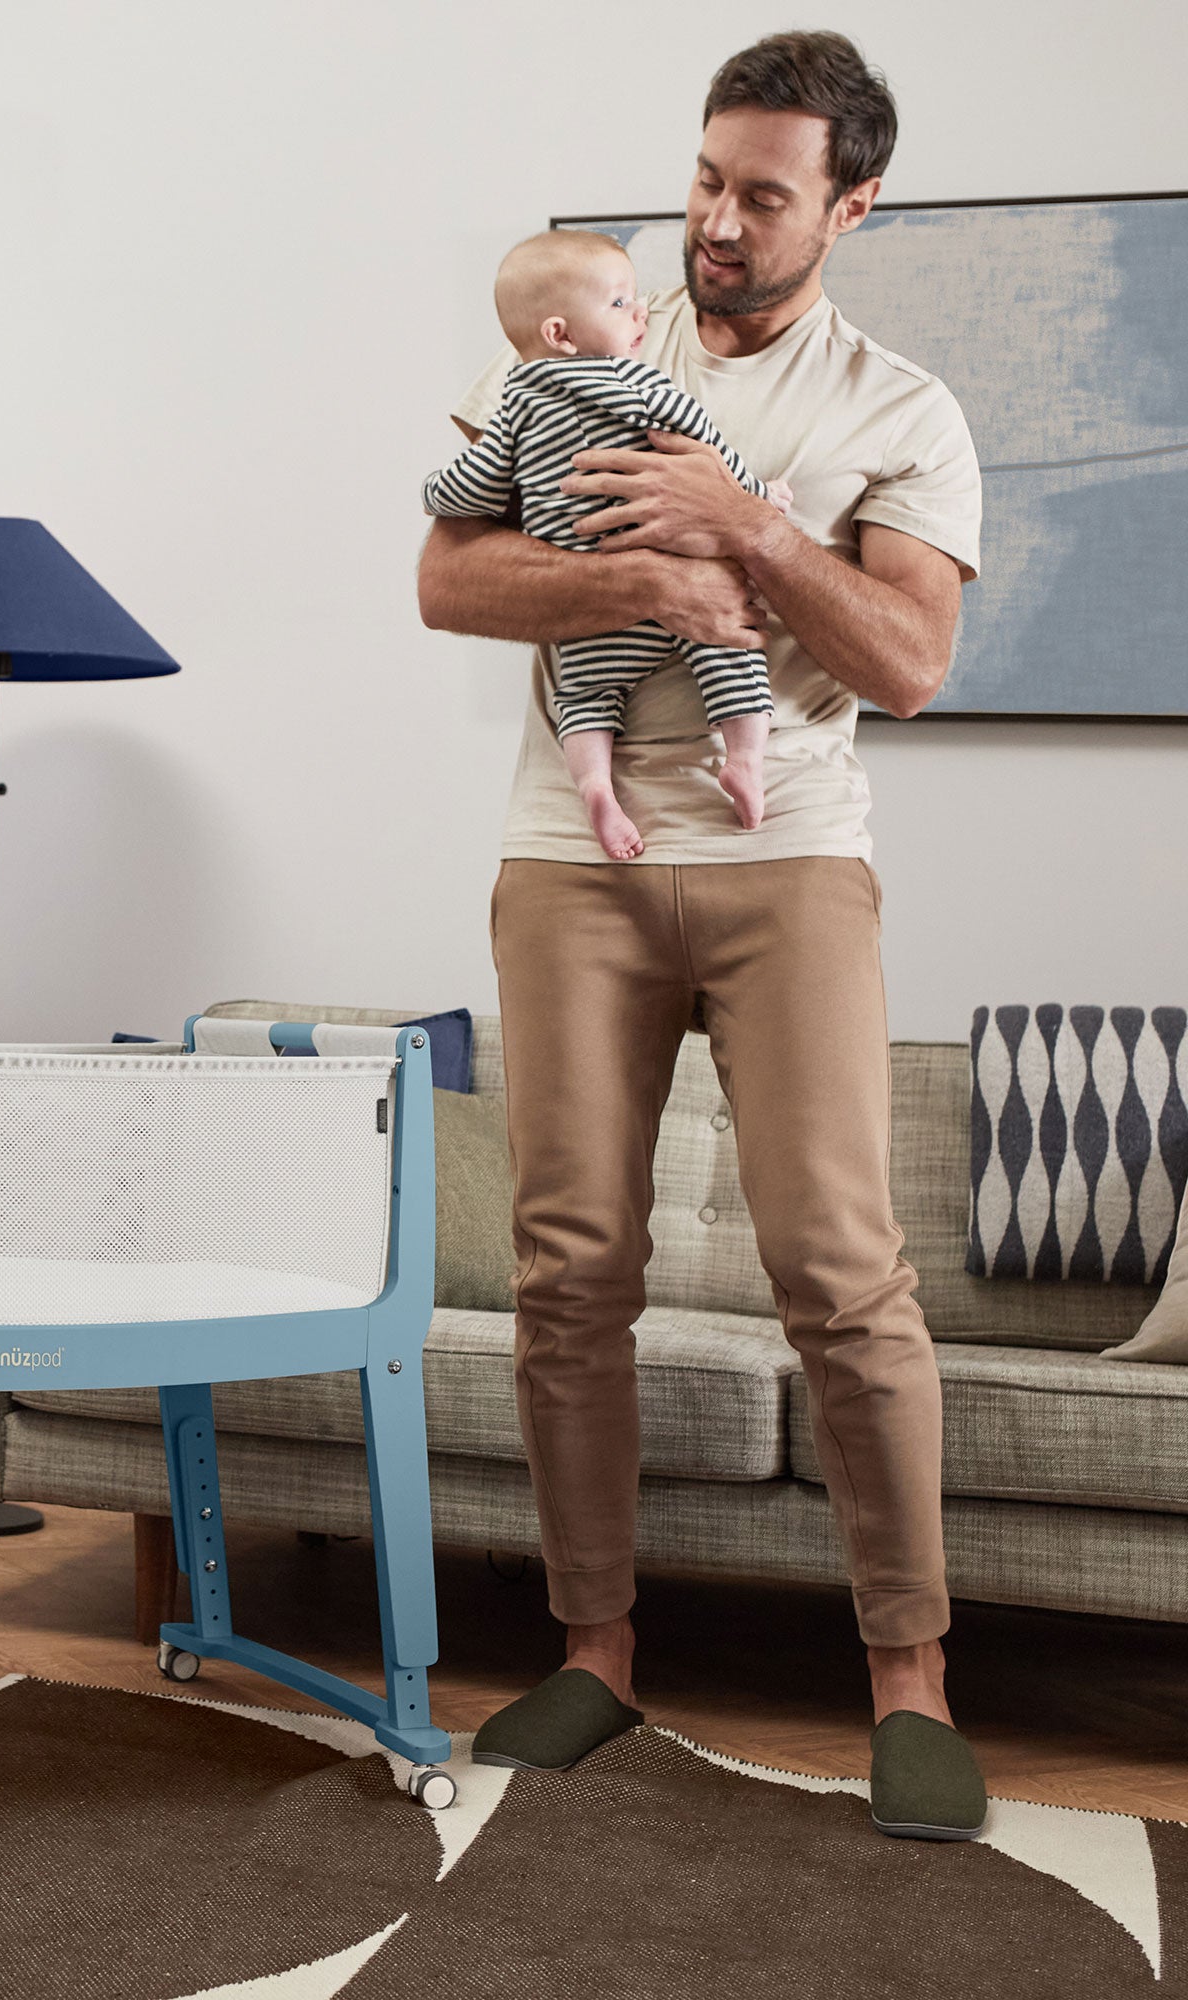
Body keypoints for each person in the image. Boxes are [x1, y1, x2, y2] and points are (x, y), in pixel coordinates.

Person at [417, 28, 989, 1841]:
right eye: (703, 179)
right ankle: (595, 1654)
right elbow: (446, 578)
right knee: (571, 1265)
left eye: (761, 194)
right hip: (566, 859)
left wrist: (740, 518)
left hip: (789, 858)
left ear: (850, 204)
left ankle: (910, 1682)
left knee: (844, 1272)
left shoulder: (900, 410)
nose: (713, 224)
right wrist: (642, 576)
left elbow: (906, 663)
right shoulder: (579, 354)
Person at [423, 229, 793, 858]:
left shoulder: (515, 406)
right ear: (561, 335)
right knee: (728, 652)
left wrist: (434, 490)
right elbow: (706, 451)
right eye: (621, 303)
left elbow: (476, 486)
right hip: (669, 573)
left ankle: (596, 784)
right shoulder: (637, 383)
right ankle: (745, 759)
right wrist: (759, 493)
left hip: (587, 603)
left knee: (584, 697)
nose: (641, 311)